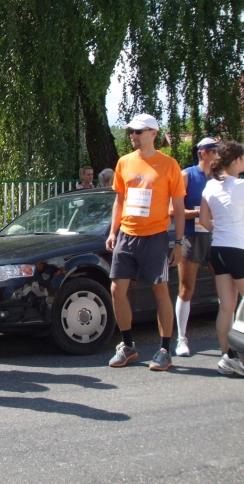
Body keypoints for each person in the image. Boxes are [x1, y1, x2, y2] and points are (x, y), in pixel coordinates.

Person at [106, 113, 185, 371]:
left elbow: (179, 208)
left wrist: (179, 242)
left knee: (160, 291)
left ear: (153, 133)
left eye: (138, 131)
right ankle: (128, 345)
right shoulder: (124, 162)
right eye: (132, 131)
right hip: (127, 235)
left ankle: (164, 350)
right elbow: (119, 200)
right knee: (117, 290)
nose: (133, 135)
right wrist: (113, 232)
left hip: (155, 237)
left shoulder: (169, 165)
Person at [199, 141, 244, 375]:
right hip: (237, 250)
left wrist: (221, 230)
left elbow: (204, 221)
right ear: (236, 161)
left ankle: (227, 358)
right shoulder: (243, 185)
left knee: (226, 307)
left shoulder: (210, 186)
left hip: (218, 250)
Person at [169, 136, 218, 357]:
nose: (219, 155)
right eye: (215, 151)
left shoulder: (220, 177)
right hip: (192, 236)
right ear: (203, 153)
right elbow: (172, 210)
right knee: (186, 289)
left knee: (225, 287)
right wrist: (199, 213)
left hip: (216, 236)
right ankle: (182, 338)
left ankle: (228, 337)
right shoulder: (187, 175)